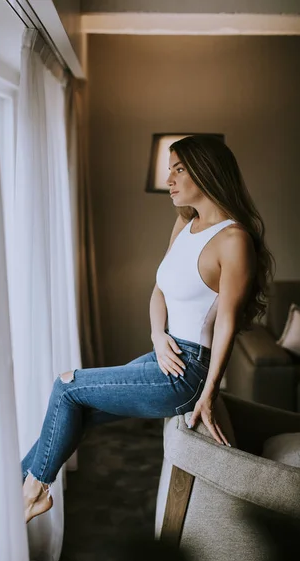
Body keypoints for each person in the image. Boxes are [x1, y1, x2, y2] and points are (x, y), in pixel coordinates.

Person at [21, 134, 275, 523]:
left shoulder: (233, 239)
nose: (169, 180)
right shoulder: (185, 224)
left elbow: (226, 321)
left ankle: (29, 493)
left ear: (205, 172)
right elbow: (159, 290)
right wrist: (158, 336)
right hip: (165, 353)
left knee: (66, 386)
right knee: (78, 411)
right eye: (168, 170)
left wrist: (208, 394)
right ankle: (15, 492)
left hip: (186, 372)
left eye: (178, 170)